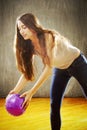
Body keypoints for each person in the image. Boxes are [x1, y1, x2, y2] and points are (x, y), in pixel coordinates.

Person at [9, 13, 87, 130]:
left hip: (77, 62)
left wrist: (31, 92)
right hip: (60, 69)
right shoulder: (29, 45)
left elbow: (49, 67)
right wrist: (15, 91)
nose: (21, 31)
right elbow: (27, 74)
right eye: (19, 29)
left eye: (24, 27)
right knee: (54, 105)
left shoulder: (47, 36)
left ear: (32, 25)